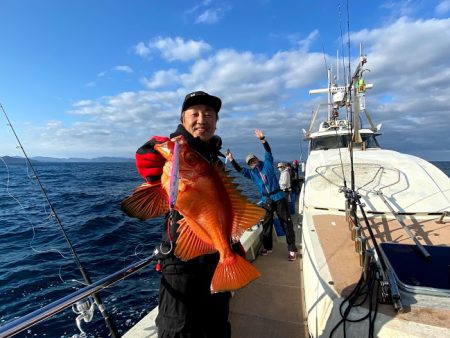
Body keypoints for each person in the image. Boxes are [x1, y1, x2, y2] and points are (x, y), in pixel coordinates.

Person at [134, 91, 234, 338]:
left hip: (215, 259)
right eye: (196, 113)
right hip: (181, 262)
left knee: (217, 326)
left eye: (209, 114)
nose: (203, 119)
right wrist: (165, 148)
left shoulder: (216, 159)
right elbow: (147, 160)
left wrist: (231, 245)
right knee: (178, 329)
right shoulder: (177, 153)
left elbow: (225, 208)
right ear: (183, 119)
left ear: (216, 122)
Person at [225, 130, 298, 261]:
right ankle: (268, 247)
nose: (253, 162)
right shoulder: (251, 174)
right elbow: (239, 170)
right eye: (250, 162)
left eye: (253, 159)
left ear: (257, 159)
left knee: (286, 223)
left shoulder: (268, 164)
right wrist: (231, 159)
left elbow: (268, 151)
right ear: (249, 164)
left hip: (279, 198)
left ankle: (292, 249)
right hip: (266, 201)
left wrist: (262, 139)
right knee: (267, 225)